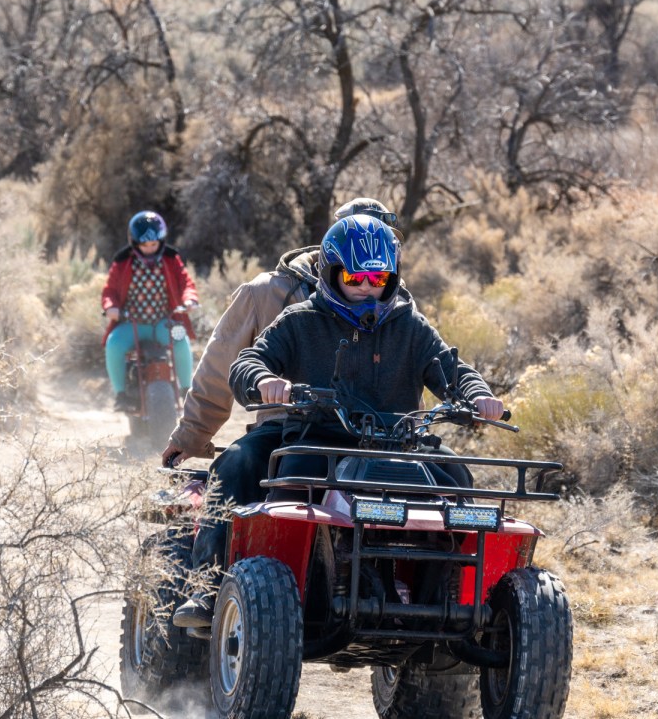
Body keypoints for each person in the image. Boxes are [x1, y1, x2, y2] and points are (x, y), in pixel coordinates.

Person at [172, 214, 502, 629]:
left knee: (456, 475)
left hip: (395, 444)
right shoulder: (300, 320)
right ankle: (208, 585)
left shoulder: (409, 325)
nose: (367, 287)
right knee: (237, 461)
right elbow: (247, 361)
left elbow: (452, 370)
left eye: (378, 278)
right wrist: (264, 380)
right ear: (331, 273)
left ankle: (452, 596)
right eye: (355, 277)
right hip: (314, 436)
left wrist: (477, 395)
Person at [160, 197, 401, 466]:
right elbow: (220, 366)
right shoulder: (266, 292)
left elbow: (421, 367)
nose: (370, 257)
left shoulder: (397, 305)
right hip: (284, 429)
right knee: (238, 464)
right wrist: (191, 435)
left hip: (377, 434)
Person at [101, 210, 199, 412]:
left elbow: (186, 282)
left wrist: (189, 300)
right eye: (144, 245)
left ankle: (186, 390)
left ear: (161, 241)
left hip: (163, 323)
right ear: (134, 242)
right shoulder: (122, 261)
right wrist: (110, 307)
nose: (149, 249)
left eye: (153, 244)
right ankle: (121, 395)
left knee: (180, 339)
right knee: (113, 343)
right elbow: (109, 290)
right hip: (131, 324)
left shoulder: (171, 259)